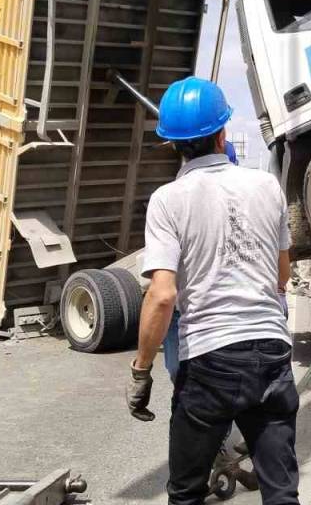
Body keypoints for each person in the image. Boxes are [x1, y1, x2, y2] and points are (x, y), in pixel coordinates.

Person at [128, 77, 299, 505]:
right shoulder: (267, 187)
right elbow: (282, 277)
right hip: (272, 353)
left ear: (172, 145)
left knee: (186, 492)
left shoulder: (168, 200)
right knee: (281, 492)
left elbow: (163, 295)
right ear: (223, 133)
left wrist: (141, 370)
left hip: (210, 362)